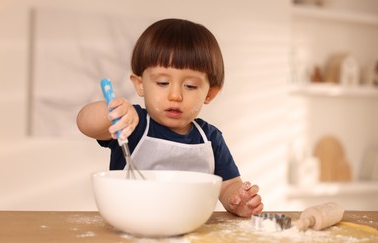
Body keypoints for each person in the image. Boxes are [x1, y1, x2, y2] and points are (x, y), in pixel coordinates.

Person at [77, 18, 263, 217]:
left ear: (210, 94)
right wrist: (113, 112)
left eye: (190, 86)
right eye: (163, 83)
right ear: (140, 84)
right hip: (132, 225)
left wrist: (236, 200)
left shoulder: (210, 138)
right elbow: (85, 123)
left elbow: (228, 185)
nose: (175, 95)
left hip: (190, 232)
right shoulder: (134, 124)